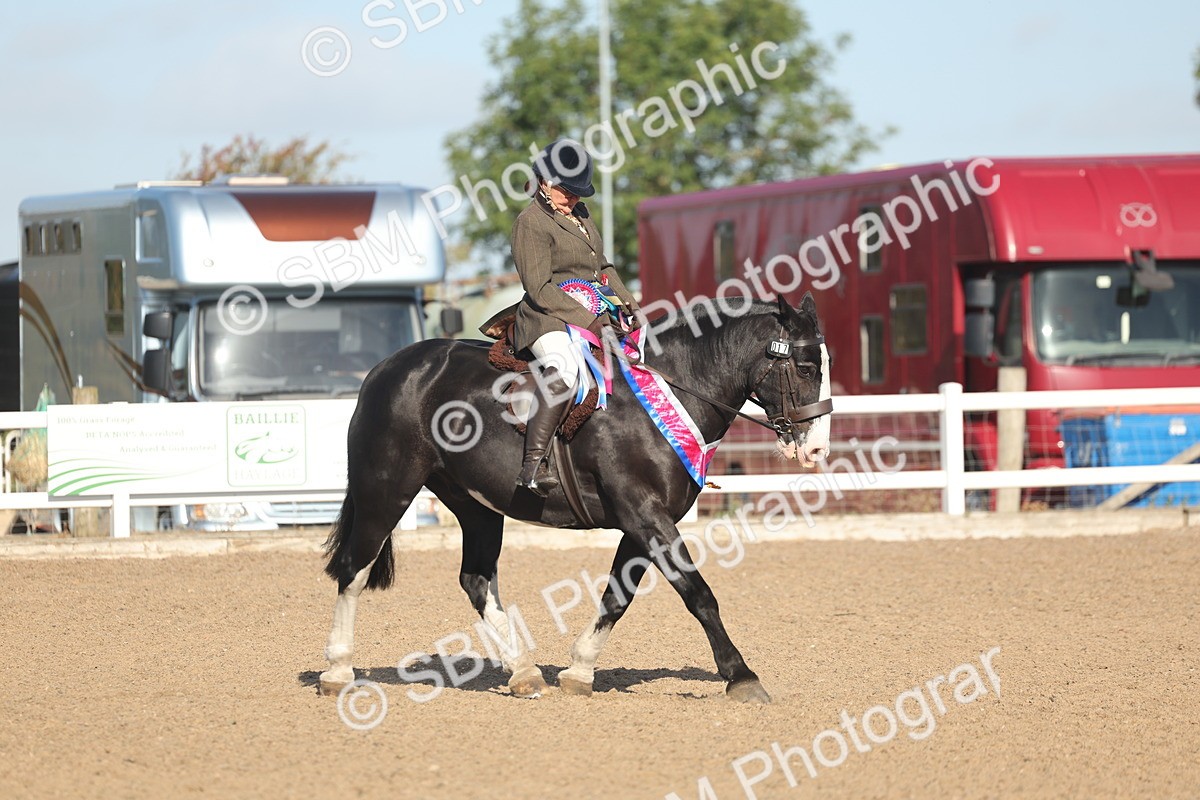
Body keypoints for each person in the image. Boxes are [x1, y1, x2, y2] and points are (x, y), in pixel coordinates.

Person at [502, 138, 640, 496]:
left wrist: (630, 305)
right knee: (565, 368)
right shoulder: (530, 223)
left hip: (593, 311)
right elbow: (539, 287)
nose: (574, 198)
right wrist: (587, 320)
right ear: (544, 182)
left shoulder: (580, 216)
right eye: (567, 190)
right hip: (547, 317)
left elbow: (603, 267)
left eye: (579, 192)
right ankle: (533, 465)